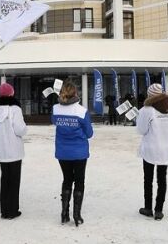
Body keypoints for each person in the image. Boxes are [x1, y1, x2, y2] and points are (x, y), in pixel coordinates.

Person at [51, 81, 93, 226]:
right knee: (79, 181)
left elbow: (54, 122)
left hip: (63, 152)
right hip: (79, 152)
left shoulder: (56, 109)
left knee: (67, 180)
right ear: (76, 93)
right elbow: (89, 133)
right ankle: (76, 215)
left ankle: (64, 214)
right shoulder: (81, 111)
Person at [136, 84, 168, 221]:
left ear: (150, 95)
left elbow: (141, 130)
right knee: (162, 179)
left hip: (151, 148)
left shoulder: (146, 110)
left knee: (148, 179)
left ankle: (148, 208)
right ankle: (159, 210)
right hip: (166, 149)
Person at [0, 83, 27, 220]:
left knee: (5, 179)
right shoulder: (15, 109)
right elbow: (20, 129)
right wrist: (25, 129)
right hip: (14, 150)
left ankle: (4, 210)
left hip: (1, 151)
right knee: (14, 181)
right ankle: (12, 210)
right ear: (12, 94)